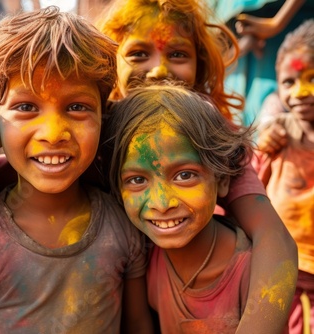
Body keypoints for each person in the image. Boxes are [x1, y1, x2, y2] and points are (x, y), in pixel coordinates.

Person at [0, 6, 150, 333]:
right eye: (26, 107)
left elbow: (138, 324)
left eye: (76, 107)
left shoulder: (124, 224)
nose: (52, 132)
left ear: (103, 118)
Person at [95, 1, 298, 333]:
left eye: (177, 54)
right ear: (109, 65)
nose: (159, 71)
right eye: (138, 54)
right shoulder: (91, 134)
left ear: (200, 68)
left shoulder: (210, 137)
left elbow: (273, 238)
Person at [102, 84, 255, 332]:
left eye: (184, 176)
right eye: (138, 180)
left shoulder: (251, 270)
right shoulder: (145, 255)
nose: (162, 204)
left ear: (222, 179)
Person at [252, 19, 314, 334]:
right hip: (286, 267)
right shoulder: (278, 136)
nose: (301, 92)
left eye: (312, 78)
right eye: (289, 82)